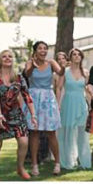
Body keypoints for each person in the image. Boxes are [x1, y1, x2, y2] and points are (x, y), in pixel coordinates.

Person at [0, 50, 38, 181]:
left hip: (16, 114)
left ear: (13, 60)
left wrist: (33, 114)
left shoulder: (19, 77)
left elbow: (27, 96)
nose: (7, 58)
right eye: (4, 56)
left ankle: (20, 168)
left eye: (10, 56)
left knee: (23, 141)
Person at [24, 41, 64, 176]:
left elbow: (60, 72)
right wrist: (33, 67)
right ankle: (35, 165)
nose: (43, 50)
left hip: (48, 98)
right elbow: (27, 74)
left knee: (51, 132)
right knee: (34, 132)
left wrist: (63, 67)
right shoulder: (30, 63)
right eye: (40, 48)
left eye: (45, 48)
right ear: (35, 51)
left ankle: (57, 163)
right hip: (34, 98)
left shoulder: (51, 63)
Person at [57, 48, 92, 170]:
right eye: (74, 54)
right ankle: (68, 161)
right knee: (68, 131)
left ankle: (84, 161)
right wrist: (58, 104)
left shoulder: (86, 73)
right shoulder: (65, 72)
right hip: (68, 102)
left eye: (79, 54)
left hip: (81, 103)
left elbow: (88, 90)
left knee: (82, 133)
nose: (76, 56)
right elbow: (59, 88)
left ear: (81, 57)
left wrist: (90, 104)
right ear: (70, 58)